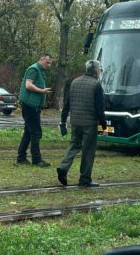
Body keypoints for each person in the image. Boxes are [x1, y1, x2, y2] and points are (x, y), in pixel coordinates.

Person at [56, 60, 107, 188]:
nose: (100, 72)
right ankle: (85, 180)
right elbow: (99, 109)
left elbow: (67, 104)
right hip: (89, 123)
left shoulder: (74, 82)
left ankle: (63, 167)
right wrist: (104, 127)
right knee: (88, 151)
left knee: (73, 145)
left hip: (75, 121)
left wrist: (63, 121)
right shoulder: (96, 85)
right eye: (100, 70)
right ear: (96, 71)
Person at [16, 53, 53, 167]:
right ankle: (37, 160)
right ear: (41, 59)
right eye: (47, 62)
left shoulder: (40, 71)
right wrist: (42, 91)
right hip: (30, 106)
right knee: (36, 133)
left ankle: (21, 157)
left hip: (33, 106)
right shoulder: (34, 69)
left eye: (50, 63)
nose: (49, 65)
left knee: (28, 132)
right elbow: (28, 85)